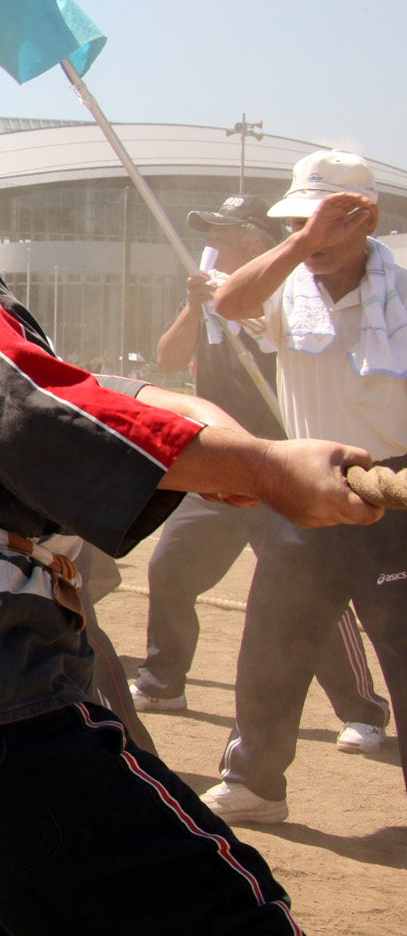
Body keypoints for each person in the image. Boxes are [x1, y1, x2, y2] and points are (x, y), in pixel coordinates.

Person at [0, 133, 380, 933]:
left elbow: (99, 392)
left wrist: (220, 449)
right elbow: (44, 407)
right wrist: (269, 467)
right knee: (230, 910)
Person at [135, 194, 389, 752]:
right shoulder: (213, 294)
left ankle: (362, 710)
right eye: (213, 235)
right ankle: (163, 682)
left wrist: (232, 305)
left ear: (257, 241)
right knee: (171, 568)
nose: (216, 245)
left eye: (227, 235)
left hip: (279, 462)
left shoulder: (288, 292)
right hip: (222, 465)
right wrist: (193, 308)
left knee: (302, 591)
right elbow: (170, 359)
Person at [202, 150, 407, 824]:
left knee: (405, 646)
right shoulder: (288, 286)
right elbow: (230, 300)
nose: (315, 239)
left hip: (396, 490)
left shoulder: (403, 286)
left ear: (367, 220)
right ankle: (256, 779)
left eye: (330, 223)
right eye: (300, 220)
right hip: (309, 485)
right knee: (274, 639)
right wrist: (301, 239)